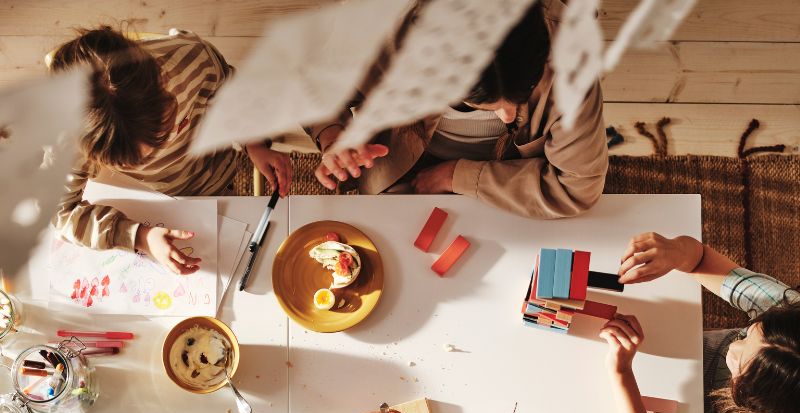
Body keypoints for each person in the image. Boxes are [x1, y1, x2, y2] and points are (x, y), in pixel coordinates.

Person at [309, 0, 608, 219]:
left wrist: (458, 176)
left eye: (521, 95)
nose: (507, 117)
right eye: (481, 104)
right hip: (397, 162)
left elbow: (577, 186)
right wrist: (332, 137)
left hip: (513, 179)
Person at [48, 26, 292, 274]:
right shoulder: (67, 137)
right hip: (154, 203)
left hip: (218, 175)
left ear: (162, 80)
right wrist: (138, 236)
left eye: (163, 132)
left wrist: (254, 143)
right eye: (131, 161)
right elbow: (58, 212)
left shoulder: (195, 60)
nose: (157, 153)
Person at [600, 232, 800, 413]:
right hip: (688, 365)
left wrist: (621, 372)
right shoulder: (788, 312)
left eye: (740, 366)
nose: (734, 348)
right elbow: (699, 258)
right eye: (747, 333)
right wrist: (676, 251)